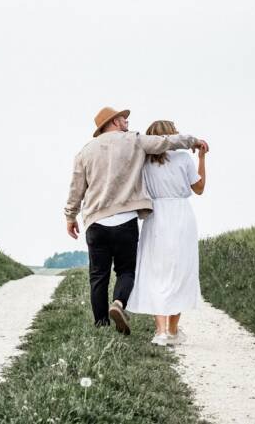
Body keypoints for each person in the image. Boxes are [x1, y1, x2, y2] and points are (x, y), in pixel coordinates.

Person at [64, 107, 208, 335]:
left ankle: (101, 325)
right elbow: (166, 142)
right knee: (126, 271)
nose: (127, 121)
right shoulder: (134, 141)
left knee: (98, 275)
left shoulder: (85, 152)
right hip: (126, 219)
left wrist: (70, 216)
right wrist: (194, 141)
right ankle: (118, 302)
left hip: (95, 221)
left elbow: (76, 189)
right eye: (123, 118)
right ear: (113, 122)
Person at [126, 120, 207, 346]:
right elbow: (199, 188)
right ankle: (172, 330)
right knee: (180, 271)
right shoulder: (183, 159)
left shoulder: (144, 162)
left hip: (155, 216)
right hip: (181, 215)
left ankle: (160, 331)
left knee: (156, 273)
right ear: (172, 136)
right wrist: (202, 158)